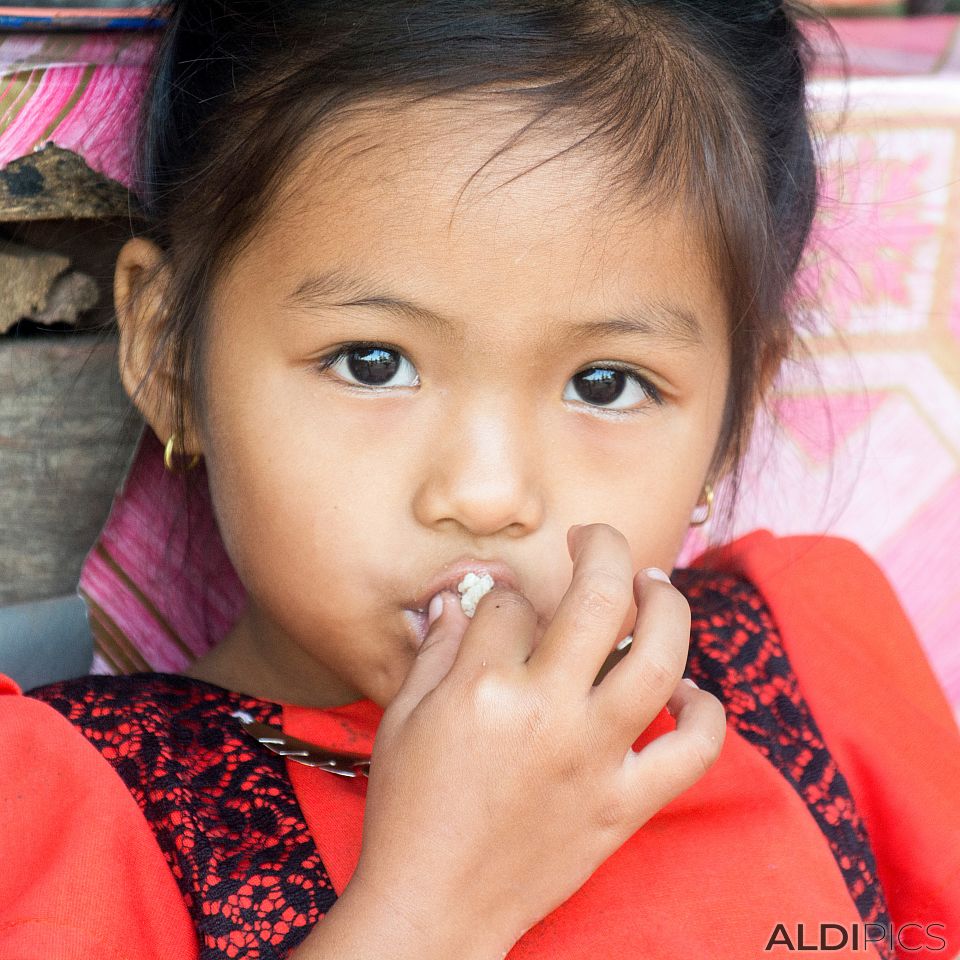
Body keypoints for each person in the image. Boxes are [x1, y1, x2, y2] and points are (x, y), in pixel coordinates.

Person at [2, 1, 959, 958]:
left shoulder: (806, 679)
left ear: (729, 421)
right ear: (170, 358)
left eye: (605, 383)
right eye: (372, 362)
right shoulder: (81, 806)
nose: (489, 494)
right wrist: (430, 912)